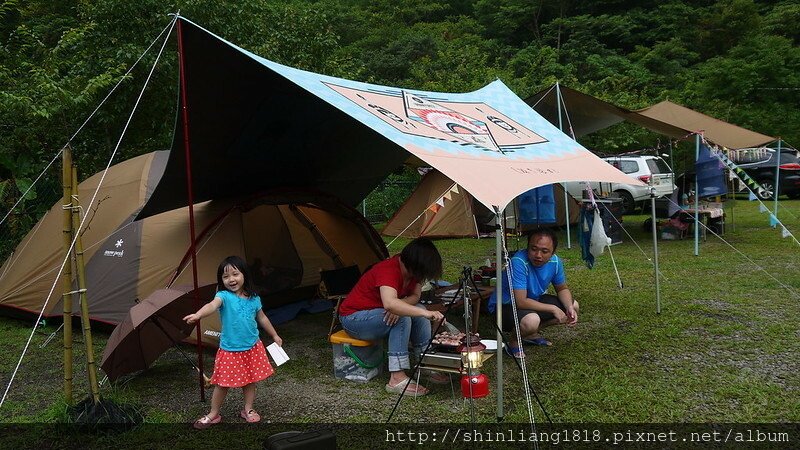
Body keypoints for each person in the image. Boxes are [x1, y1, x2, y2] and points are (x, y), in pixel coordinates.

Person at [184, 255, 283, 429]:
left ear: (244, 274)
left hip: (252, 347)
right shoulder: (223, 296)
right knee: (222, 384)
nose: (231, 279)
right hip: (230, 349)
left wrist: (274, 335)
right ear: (221, 280)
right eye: (225, 276)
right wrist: (199, 314)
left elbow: (262, 318)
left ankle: (248, 409)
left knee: (250, 380)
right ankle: (213, 414)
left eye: (235, 274)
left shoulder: (254, 298)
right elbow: (212, 305)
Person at [338, 237, 445, 396]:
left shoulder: (414, 272)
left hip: (377, 314)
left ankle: (424, 364)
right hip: (354, 318)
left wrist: (401, 305)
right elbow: (389, 304)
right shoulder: (388, 269)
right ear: (414, 264)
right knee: (403, 318)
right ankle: (396, 378)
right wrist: (401, 308)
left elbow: (415, 296)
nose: (422, 278)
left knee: (419, 311)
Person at [488, 228, 578, 358]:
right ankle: (513, 341)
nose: (538, 255)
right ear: (527, 247)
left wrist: (569, 307)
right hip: (504, 306)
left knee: (573, 306)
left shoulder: (555, 262)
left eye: (544, 251)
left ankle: (530, 333)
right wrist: (553, 309)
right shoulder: (518, 262)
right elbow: (520, 302)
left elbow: (562, 288)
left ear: (553, 253)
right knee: (531, 320)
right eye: (533, 249)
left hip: (532, 300)